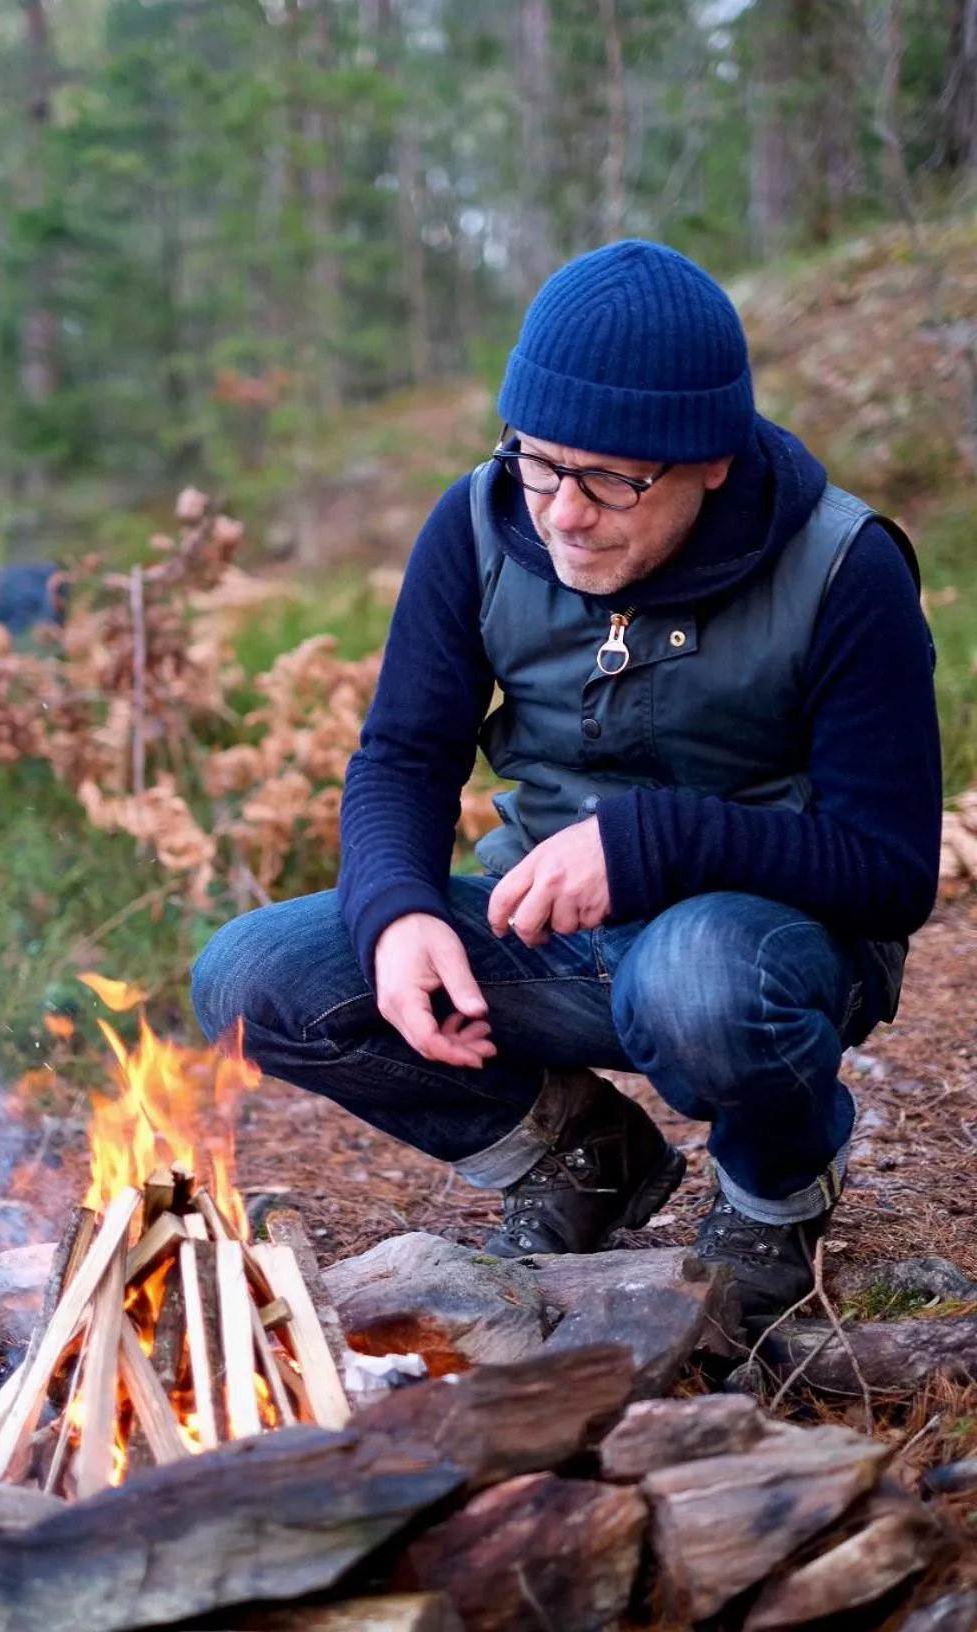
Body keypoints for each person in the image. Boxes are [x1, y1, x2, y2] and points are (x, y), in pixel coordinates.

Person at [191, 241, 942, 1325]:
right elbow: (402, 757)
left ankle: (775, 1192)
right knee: (251, 978)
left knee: (696, 983)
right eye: (538, 462)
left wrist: (648, 846)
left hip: (765, 943)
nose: (561, 513)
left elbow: (887, 873)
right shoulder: (474, 523)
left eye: (610, 479)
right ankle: (576, 1155)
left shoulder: (841, 568)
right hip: (550, 928)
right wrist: (397, 908)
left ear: (711, 460)